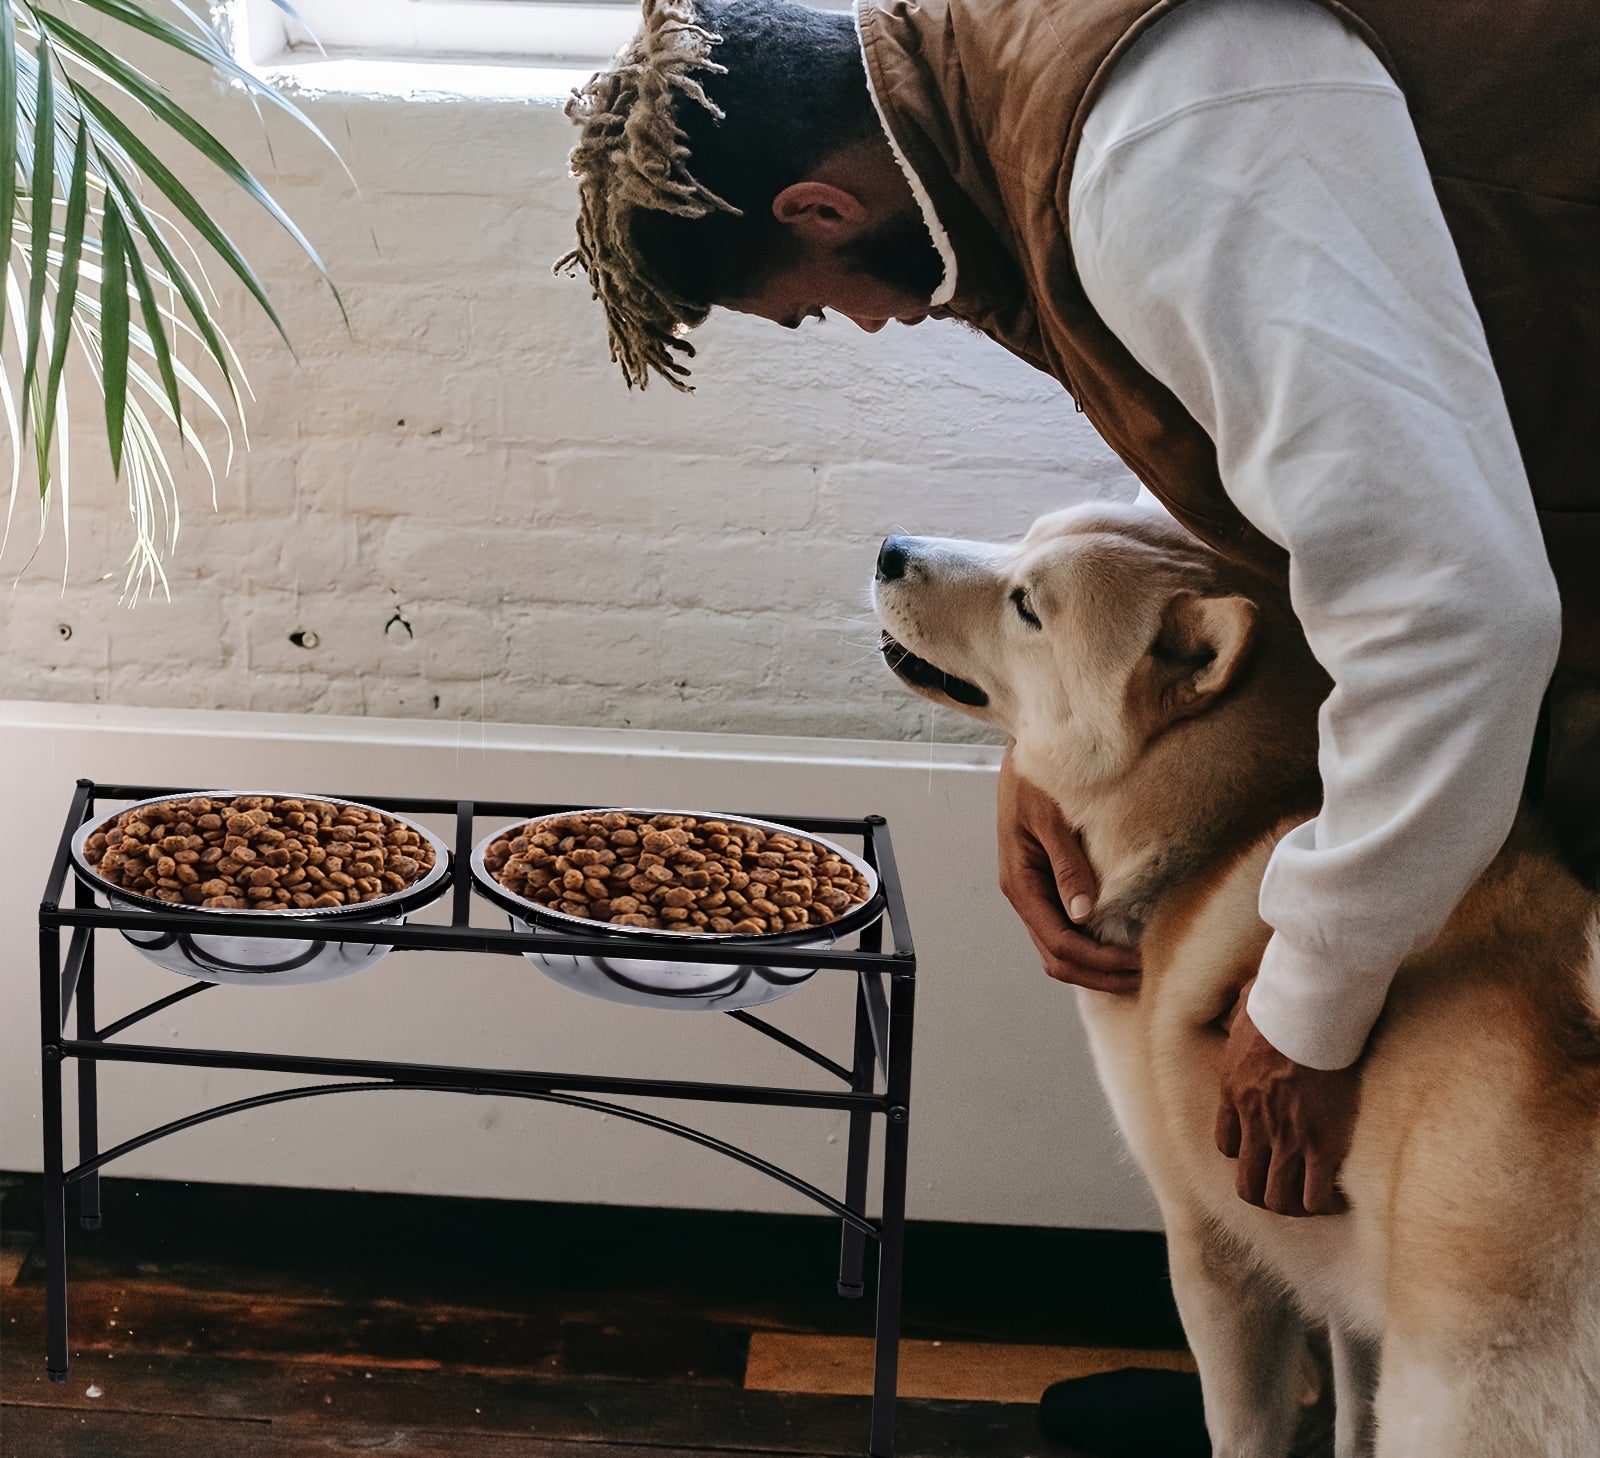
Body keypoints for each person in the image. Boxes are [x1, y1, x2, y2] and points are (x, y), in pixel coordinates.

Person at [559, 0, 1599, 1227]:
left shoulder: (1155, 153)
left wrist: (1304, 1007)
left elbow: (1455, 612)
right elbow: (1281, 485)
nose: (869, 322)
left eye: (814, 302)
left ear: (819, 210)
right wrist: (1036, 735)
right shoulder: (1010, 104)